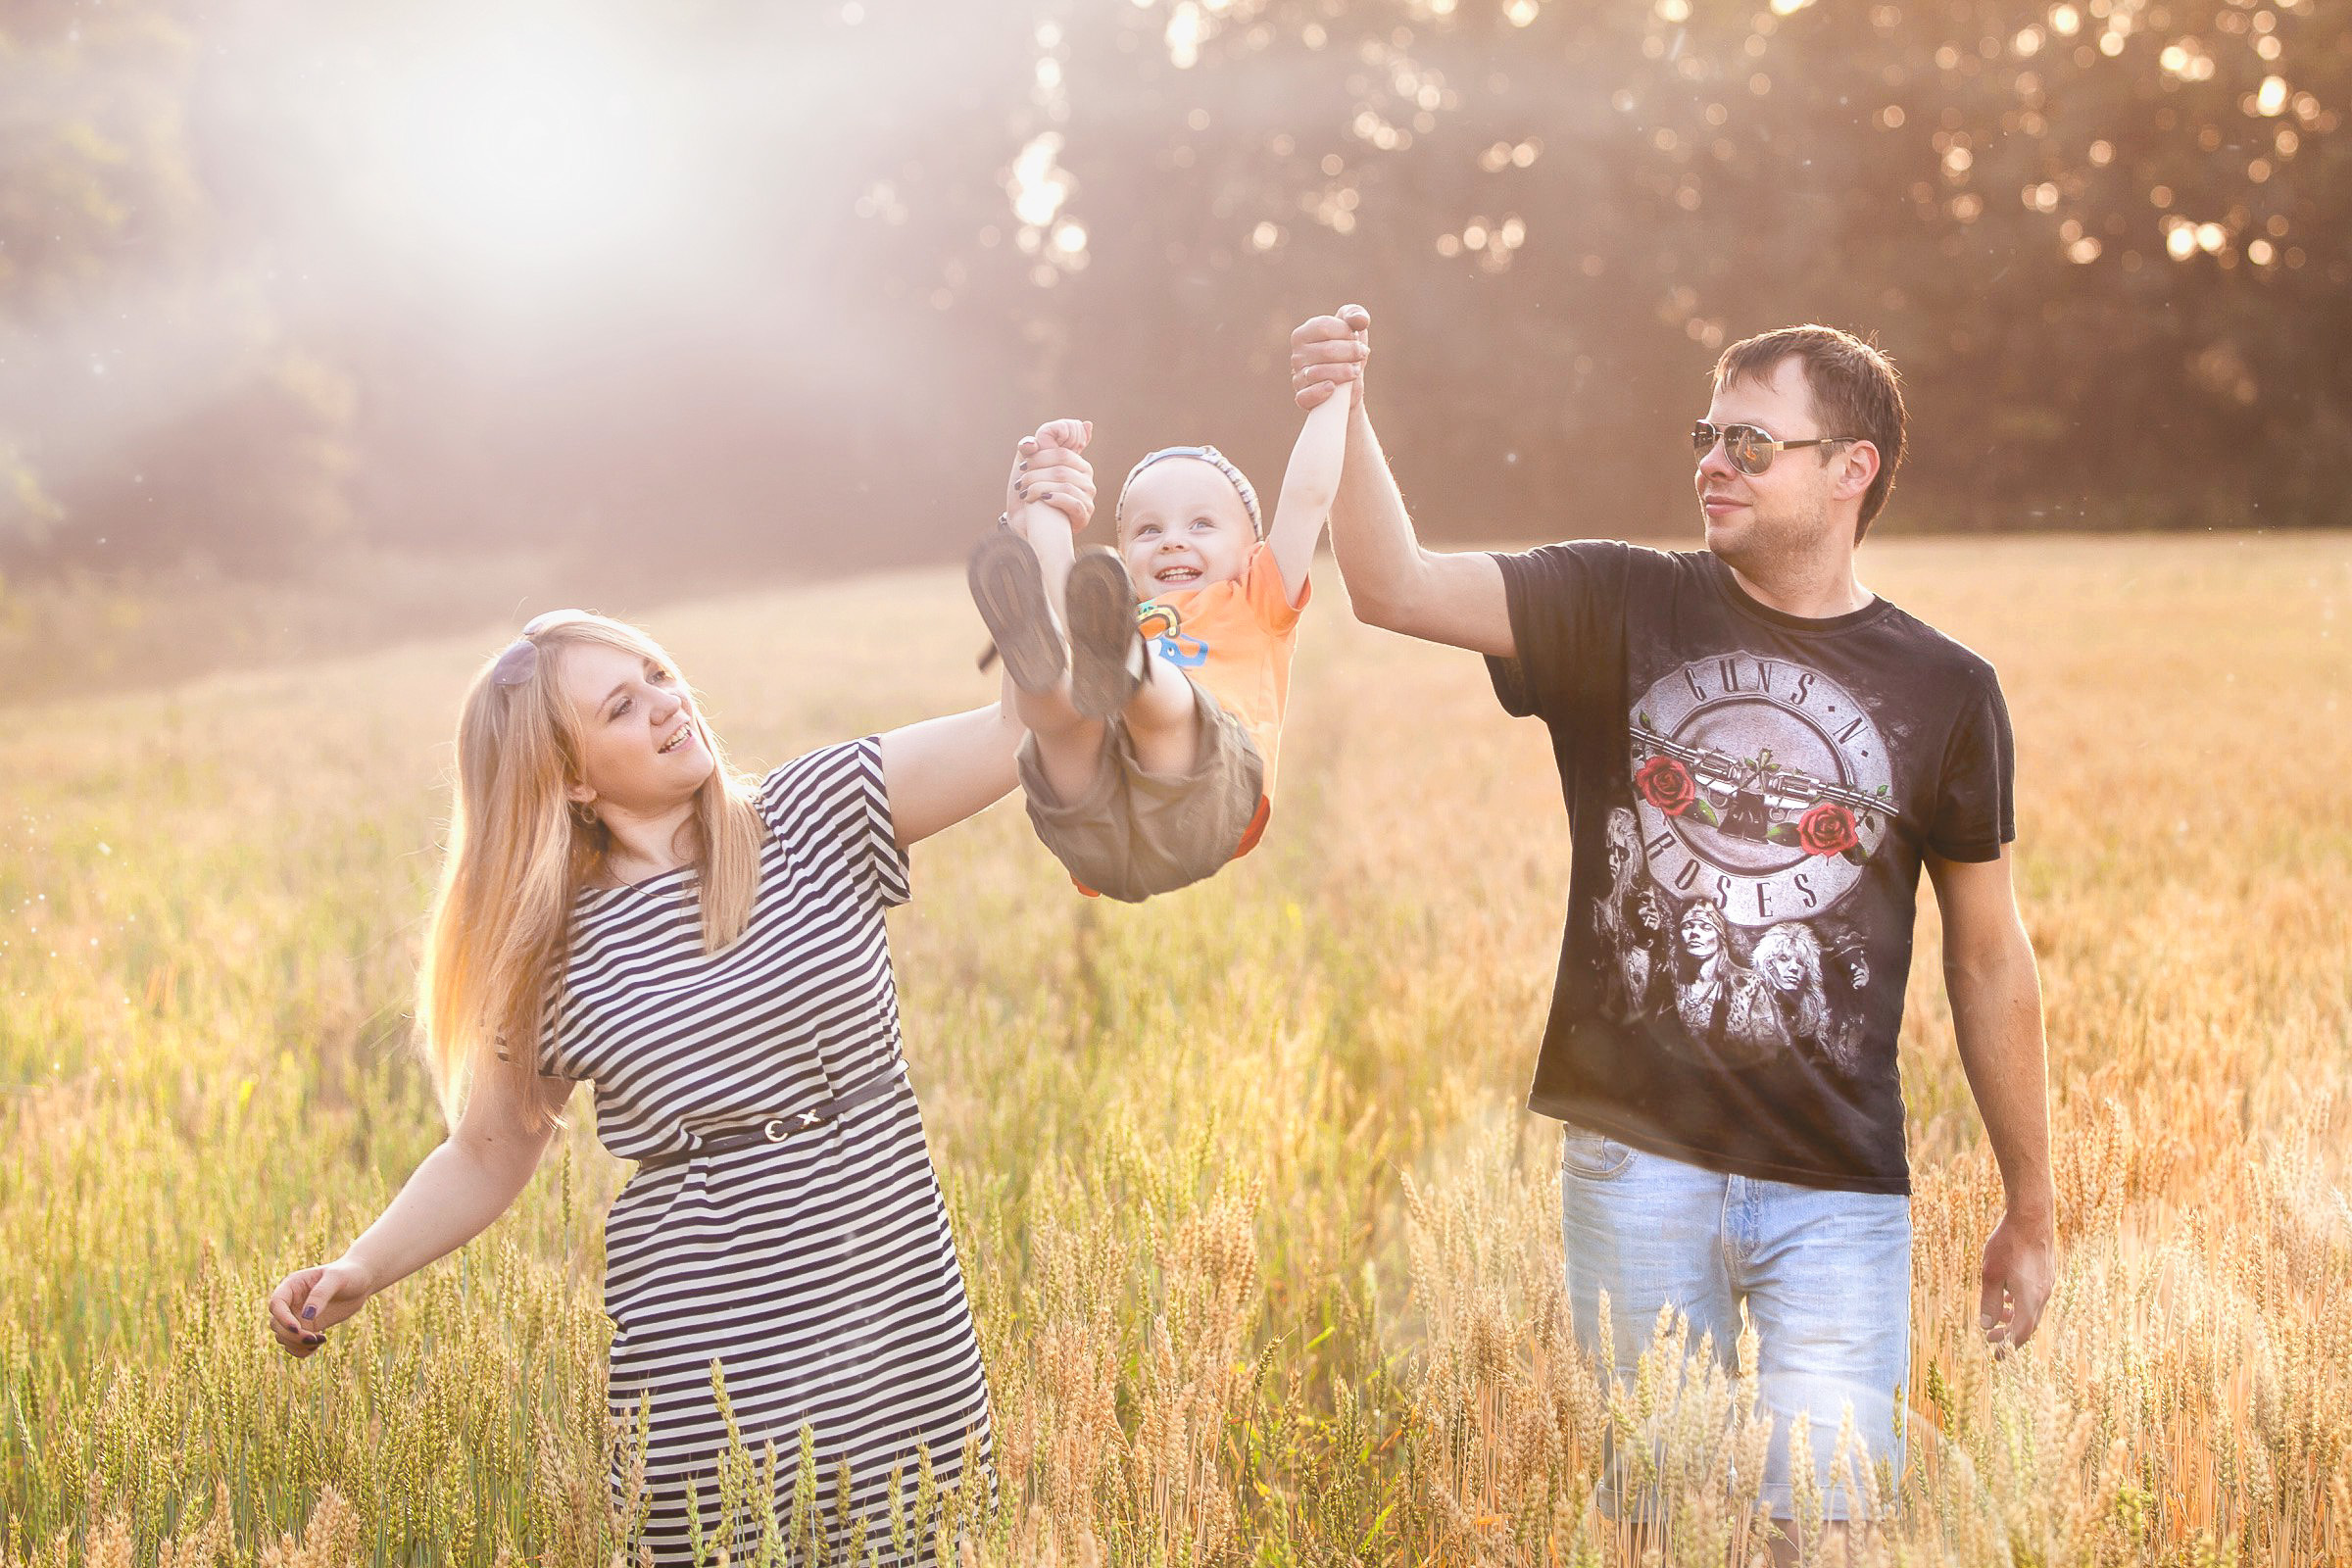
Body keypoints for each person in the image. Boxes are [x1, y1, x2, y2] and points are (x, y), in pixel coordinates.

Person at [263, 423, 1098, 1565]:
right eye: (619, 706)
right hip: (704, 1351)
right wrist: (362, 1267)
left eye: (656, 673)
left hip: (894, 1305)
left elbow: (1030, 723)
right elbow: (491, 1148)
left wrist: (1039, 524)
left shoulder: (819, 812)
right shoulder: (549, 952)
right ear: (566, 776)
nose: (666, 702)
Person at [1292, 308, 2054, 1548]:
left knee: (1829, 1525)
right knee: (1662, 1522)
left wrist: (2033, 1201)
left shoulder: (1947, 688)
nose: (1712, 464)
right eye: (1707, 436)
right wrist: (1346, 412)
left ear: (1850, 469)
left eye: (1752, 444)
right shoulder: (1618, 599)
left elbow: (1987, 954)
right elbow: (1394, 586)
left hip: (1838, 1190)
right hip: (1637, 1167)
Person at [963, 341, 1349, 902]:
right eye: (1148, 530)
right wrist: (1043, 489)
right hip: (1100, 834)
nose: (1172, 540)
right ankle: (1038, 665)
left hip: (1206, 801)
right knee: (1061, 708)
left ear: (1253, 551)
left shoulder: (1256, 596)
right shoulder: (1117, 614)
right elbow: (1058, 575)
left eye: (1201, 524)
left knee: (1133, 709)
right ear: (1123, 560)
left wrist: (1335, 393)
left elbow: (1308, 496)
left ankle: (1100, 672)